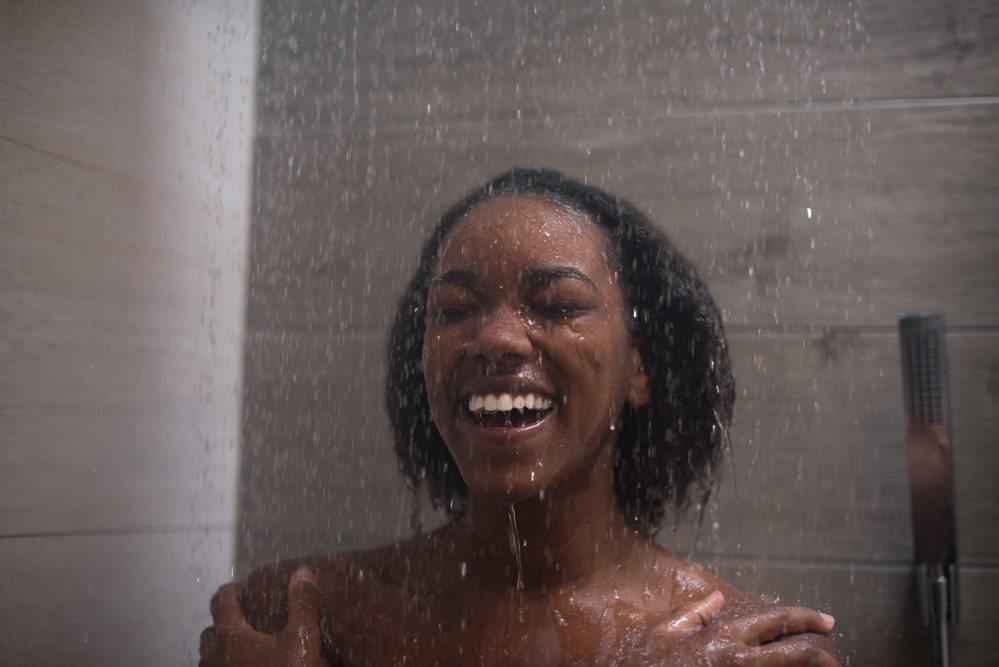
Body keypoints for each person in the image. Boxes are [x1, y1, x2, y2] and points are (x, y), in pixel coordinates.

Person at [199, 168, 840, 666]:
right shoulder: (298, 617)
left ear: (639, 370)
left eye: (558, 305)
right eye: (455, 311)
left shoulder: (747, 647)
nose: (497, 339)